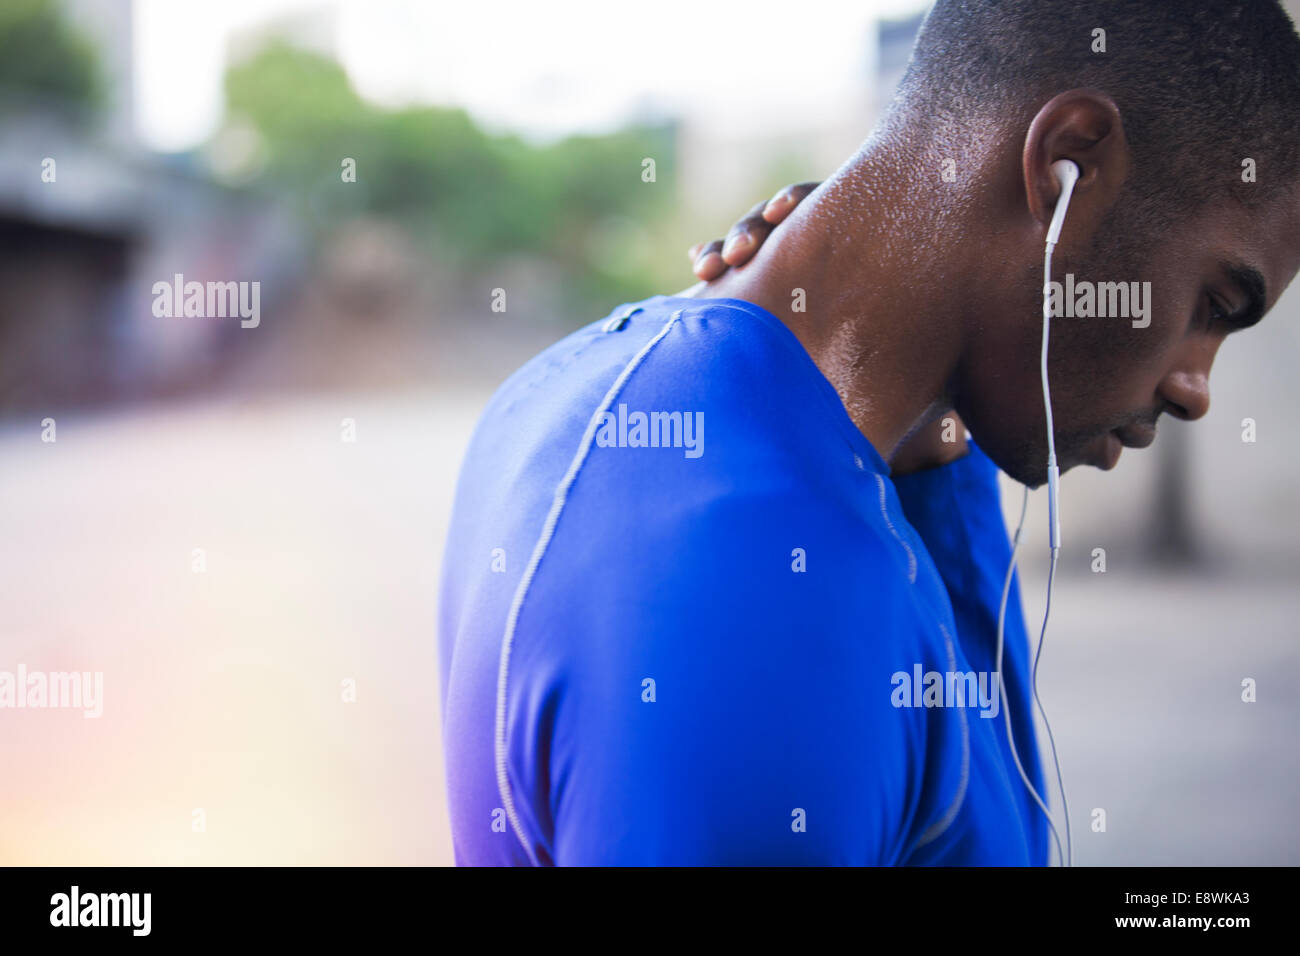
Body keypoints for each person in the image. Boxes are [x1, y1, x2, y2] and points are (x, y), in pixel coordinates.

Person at [437, 0, 1300, 865]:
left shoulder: (573, 386)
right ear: (1067, 166)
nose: (1196, 391)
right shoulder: (766, 586)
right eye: (1216, 306)